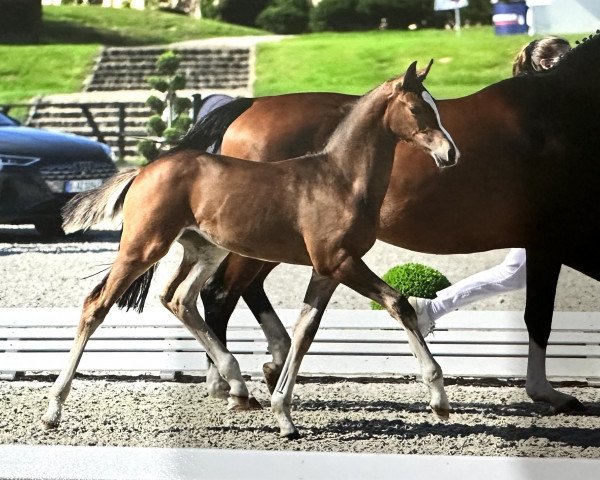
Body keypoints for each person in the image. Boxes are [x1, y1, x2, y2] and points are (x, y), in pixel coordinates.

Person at [411, 36, 571, 337]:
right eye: (567, 57)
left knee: (516, 273)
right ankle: (430, 310)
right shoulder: (532, 102)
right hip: (538, 204)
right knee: (515, 273)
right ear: (548, 63)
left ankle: (430, 310)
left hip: (554, 201)